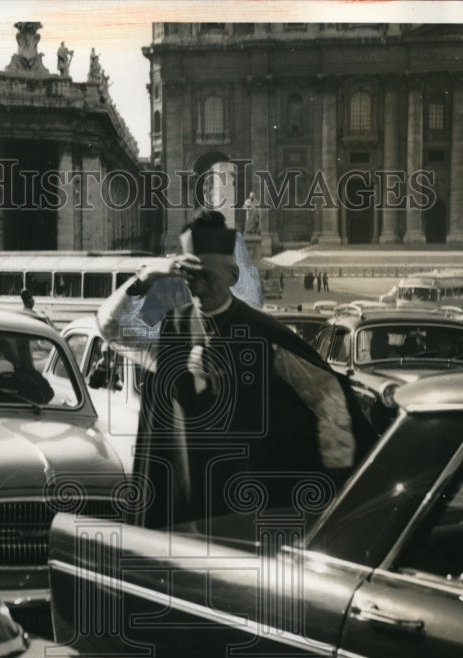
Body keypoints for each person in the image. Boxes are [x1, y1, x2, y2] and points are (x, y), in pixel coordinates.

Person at [97, 209, 376, 530]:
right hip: (185, 510)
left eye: (209, 278)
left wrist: (335, 484)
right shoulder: (174, 329)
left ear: (232, 275)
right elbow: (110, 325)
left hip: (246, 514)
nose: (199, 288)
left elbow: (329, 397)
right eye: (190, 278)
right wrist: (148, 276)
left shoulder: (264, 334)